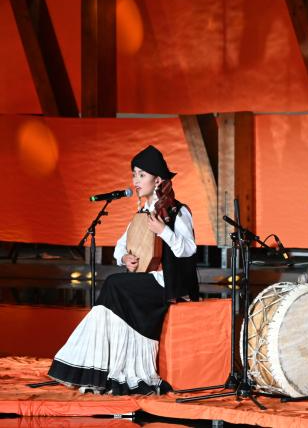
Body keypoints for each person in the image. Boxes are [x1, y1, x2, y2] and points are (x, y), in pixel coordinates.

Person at [48, 145, 199, 395]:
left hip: (170, 283)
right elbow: (120, 247)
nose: (135, 181)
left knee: (114, 284)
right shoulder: (141, 214)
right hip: (147, 279)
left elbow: (189, 250)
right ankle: (105, 368)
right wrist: (124, 258)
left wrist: (164, 231)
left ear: (157, 180)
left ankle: (97, 368)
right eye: (134, 175)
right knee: (114, 286)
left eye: (141, 175)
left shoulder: (178, 211)